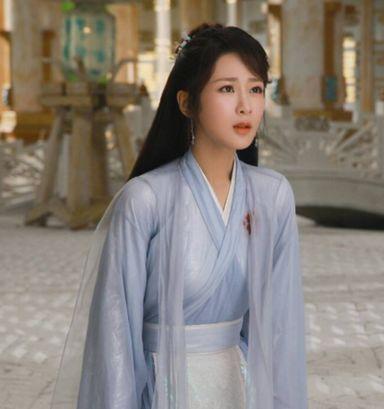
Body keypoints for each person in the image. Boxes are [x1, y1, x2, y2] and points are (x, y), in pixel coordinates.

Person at [50, 23, 307, 409]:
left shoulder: (272, 196)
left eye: (255, 89)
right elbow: (114, 336)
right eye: (226, 89)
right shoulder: (145, 200)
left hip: (238, 389)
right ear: (186, 102)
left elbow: (281, 329)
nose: (246, 106)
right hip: (163, 392)